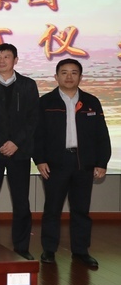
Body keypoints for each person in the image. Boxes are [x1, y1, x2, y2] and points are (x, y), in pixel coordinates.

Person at [34, 59, 111, 268]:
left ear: (80, 77)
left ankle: (81, 251)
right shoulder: (45, 102)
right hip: (54, 164)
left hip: (83, 163)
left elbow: (102, 135)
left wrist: (102, 162)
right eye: (64, 72)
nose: (69, 77)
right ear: (56, 76)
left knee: (81, 210)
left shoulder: (91, 102)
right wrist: (40, 160)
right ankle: (49, 250)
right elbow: (37, 135)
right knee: (52, 209)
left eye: (74, 72)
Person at [0, 43, 39, 260]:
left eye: (6, 57)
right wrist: (1, 143)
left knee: (21, 202)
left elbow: (33, 119)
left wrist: (15, 143)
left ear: (15, 60)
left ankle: (21, 248)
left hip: (20, 152)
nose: (1, 61)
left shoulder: (28, 85)